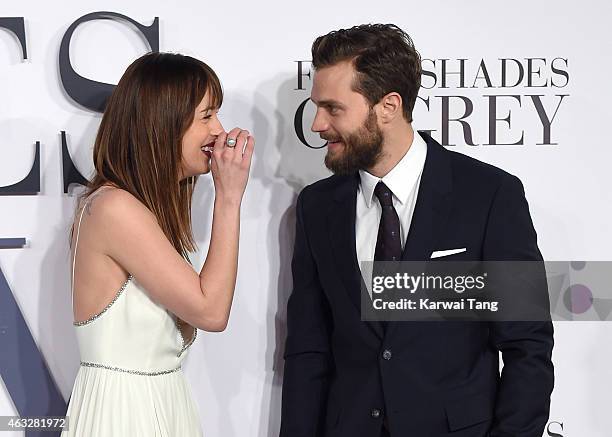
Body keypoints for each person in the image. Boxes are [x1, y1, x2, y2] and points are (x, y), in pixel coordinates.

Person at [280, 24, 554, 437]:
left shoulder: (489, 194)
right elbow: (309, 350)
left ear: (388, 106)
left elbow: (527, 345)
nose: (317, 124)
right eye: (317, 107)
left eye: (333, 108)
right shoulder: (318, 206)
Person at [63, 52, 254, 436]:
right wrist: (229, 197)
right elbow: (211, 311)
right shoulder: (115, 208)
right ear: (163, 123)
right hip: (124, 413)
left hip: (160, 402)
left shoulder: (141, 209)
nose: (219, 129)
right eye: (206, 116)